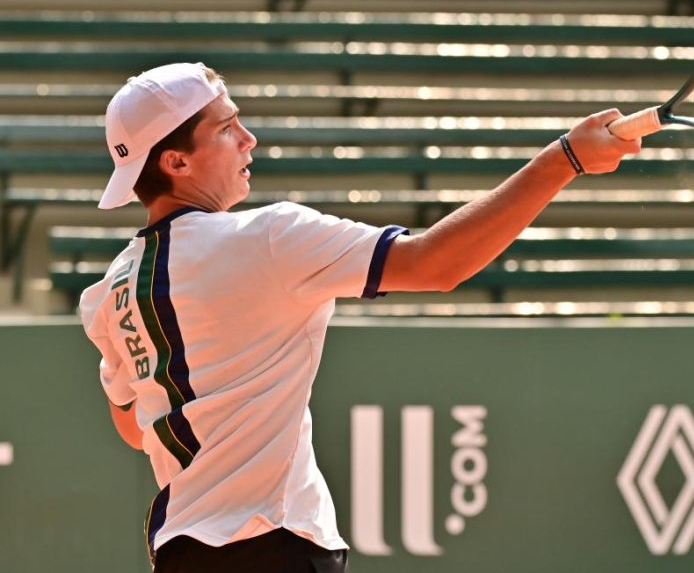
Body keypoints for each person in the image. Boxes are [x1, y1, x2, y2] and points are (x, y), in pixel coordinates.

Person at [78, 62, 640, 572]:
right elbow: (436, 263)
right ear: (176, 161)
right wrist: (562, 160)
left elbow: (134, 427)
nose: (249, 139)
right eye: (227, 128)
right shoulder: (268, 237)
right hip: (277, 545)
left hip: (182, 556)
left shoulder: (108, 294)